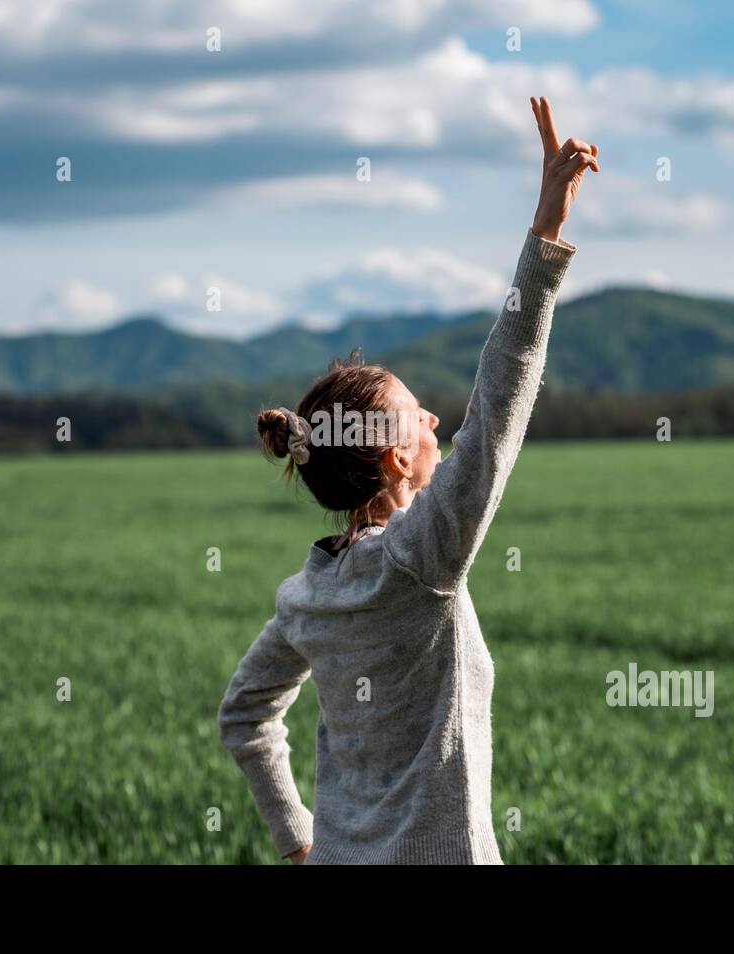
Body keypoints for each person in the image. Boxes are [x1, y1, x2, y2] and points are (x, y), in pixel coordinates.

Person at [217, 96, 598, 864]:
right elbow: (499, 403)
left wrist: (299, 841)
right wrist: (546, 234)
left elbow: (245, 715)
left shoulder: (308, 595)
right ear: (395, 460)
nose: (436, 425)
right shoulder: (422, 560)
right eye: (421, 416)